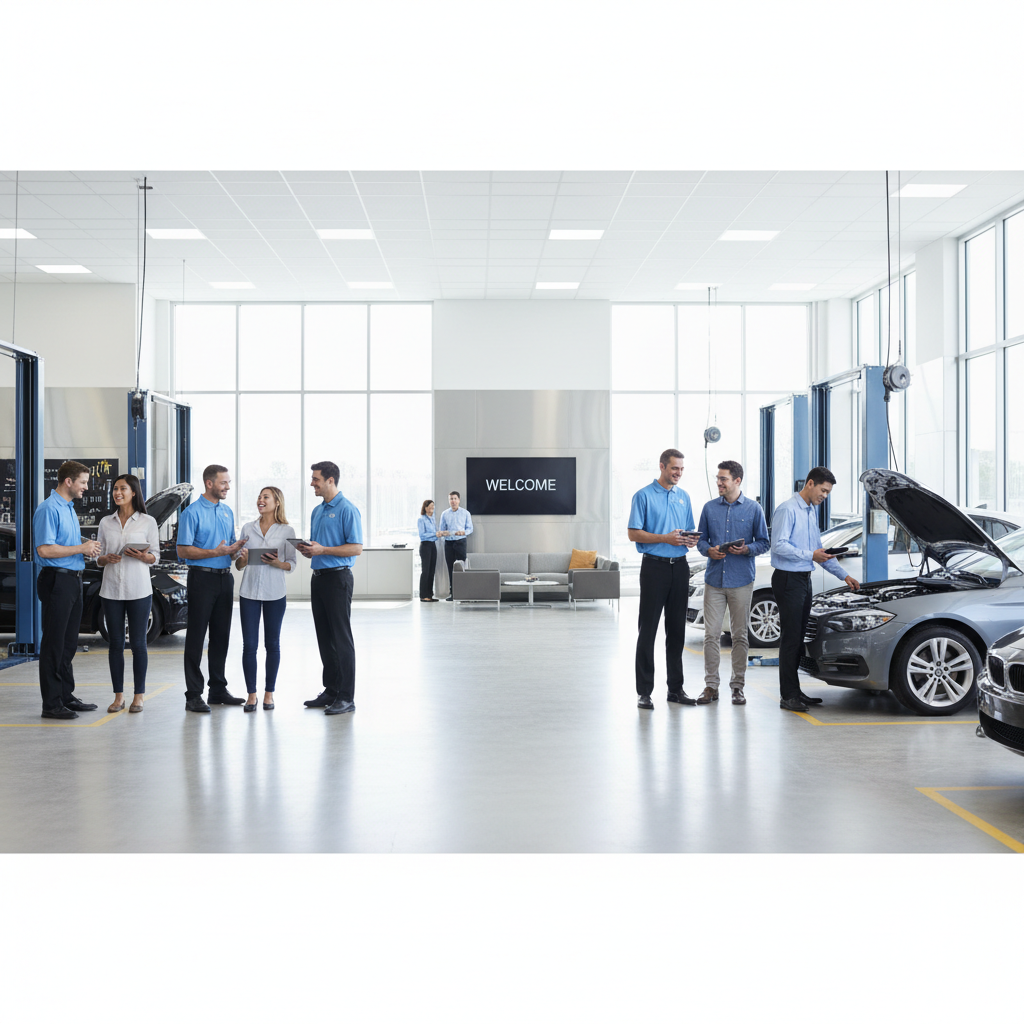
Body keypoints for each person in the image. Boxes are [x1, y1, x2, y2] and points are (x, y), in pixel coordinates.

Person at [771, 466, 861, 712]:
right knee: (790, 639)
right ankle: (787, 696)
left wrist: (845, 576)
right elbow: (778, 546)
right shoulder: (787, 510)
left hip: (803, 579)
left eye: (828, 492)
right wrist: (810, 554)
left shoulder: (811, 512)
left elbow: (820, 552)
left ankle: (795, 692)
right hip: (788, 579)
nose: (825, 496)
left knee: (799, 640)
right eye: (823, 490)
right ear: (810, 484)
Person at [627, 448, 699, 710]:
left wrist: (689, 539)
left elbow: (688, 532)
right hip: (654, 568)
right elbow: (634, 533)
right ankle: (644, 692)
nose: (678, 473)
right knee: (648, 630)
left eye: (681, 469)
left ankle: (675, 689)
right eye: (674, 468)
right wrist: (665, 538)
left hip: (680, 567)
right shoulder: (643, 496)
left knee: (677, 630)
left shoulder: (684, 497)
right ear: (662, 467)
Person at [695, 461, 770, 707]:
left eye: (723, 479)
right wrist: (709, 551)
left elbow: (764, 542)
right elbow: (701, 540)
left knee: (739, 636)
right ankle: (711, 686)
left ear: (737, 481)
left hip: (741, 581)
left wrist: (746, 549)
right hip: (714, 580)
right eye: (718, 478)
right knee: (711, 635)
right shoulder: (708, 508)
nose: (719, 482)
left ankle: (737, 687)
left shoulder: (753, 509)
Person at [176, 464, 248, 713]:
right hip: (202, 579)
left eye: (228, 482)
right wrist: (215, 552)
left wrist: (237, 552)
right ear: (209, 484)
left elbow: (228, 552)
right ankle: (193, 694)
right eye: (223, 482)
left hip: (224, 579)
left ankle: (217, 689)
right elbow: (183, 551)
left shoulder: (227, 512)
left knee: (221, 636)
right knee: (196, 636)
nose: (228, 486)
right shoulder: (191, 513)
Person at [32, 460, 101, 719]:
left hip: (72, 580)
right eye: (83, 482)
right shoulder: (49, 509)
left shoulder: (69, 508)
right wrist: (81, 549)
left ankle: (65, 695)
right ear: (68, 481)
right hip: (56, 581)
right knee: (53, 643)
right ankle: (51, 704)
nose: (86, 486)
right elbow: (45, 549)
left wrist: (87, 544)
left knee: (69, 643)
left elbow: (65, 543)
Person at [297, 461, 363, 715]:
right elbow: (319, 546)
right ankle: (331, 690)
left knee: (341, 638)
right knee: (325, 637)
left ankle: (347, 697)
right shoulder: (317, 511)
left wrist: (322, 550)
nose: (312, 483)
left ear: (330, 481)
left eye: (316, 479)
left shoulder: (347, 509)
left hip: (338, 579)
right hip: (319, 577)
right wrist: (310, 551)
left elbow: (356, 548)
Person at [96, 474, 160, 713]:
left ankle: (139, 696)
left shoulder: (148, 521)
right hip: (111, 589)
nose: (117, 493)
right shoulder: (105, 522)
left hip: (139, 590)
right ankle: (118, 696)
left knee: (138, 644)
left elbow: (155, 556)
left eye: (122, 488)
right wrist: (104, 558)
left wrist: (144, 557)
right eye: (114, 489)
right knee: (115, 644)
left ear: (134, 492)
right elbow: (98, 557)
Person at [234, 486, 297, 711]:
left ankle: (269, 693)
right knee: (249, 645)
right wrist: (242, 559)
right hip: (249, 592)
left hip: (275, 594)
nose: (260, 500)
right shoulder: (247, 529)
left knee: (272, 644)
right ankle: (252, 694)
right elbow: (239, 565)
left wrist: (276, 563)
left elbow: (291, 564)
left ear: (276, 502)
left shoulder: (287, 531)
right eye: (259, 497)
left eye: (265, 497)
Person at [438, 490, 473, 601]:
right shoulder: (444, 514)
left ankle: (463, 593)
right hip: (448, 543)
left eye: (454, 499)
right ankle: (453, 594)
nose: (453, 501)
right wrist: (444, 533)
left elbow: (470, 529)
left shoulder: (465, 513)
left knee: (462, 568)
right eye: (451, 499)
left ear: (459, 500)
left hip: (460, 542)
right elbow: (441, 529)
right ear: (449, 501)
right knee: (450, 568)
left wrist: (463, 532)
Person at [417, 499, 439, 602]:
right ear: (425, 508)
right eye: (430, 507)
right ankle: (423, 595)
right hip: (425, 546)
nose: (432, 508)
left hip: (433, 545)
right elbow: (422, 535)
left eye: (433, 506)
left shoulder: (433, 519)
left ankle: (429, 595)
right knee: (425, 571)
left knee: (431, 571)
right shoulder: (421, 519)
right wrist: (435, 534)